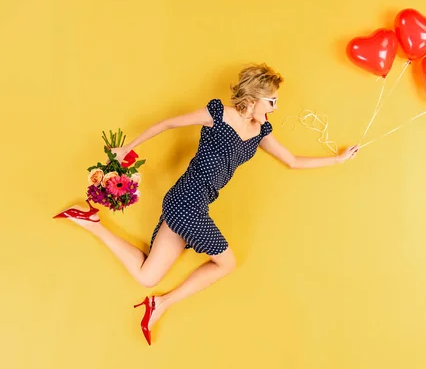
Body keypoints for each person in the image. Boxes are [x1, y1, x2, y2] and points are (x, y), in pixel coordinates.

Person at [53, 63, 359, 345]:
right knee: (227, 263)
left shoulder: (260, 131)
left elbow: (291, 161)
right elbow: (169, 123)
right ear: (253, 98)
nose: (276, 108)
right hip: (186, 200)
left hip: (197, 205)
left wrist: (338, 159)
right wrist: (127, 149)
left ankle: (90, 223)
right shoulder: (219, 114)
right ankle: (162, 304)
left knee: (147, 276)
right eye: (272, 101)